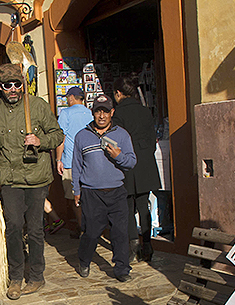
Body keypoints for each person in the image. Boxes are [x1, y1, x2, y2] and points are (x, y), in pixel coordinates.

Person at [0, 63, 64, 300]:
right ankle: (16, 277)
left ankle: (37, 276)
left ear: (23, 84)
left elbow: (57, 134)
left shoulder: (37, 106)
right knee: (15, 227)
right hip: (9, 178)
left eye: (17, 84)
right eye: (8, 85)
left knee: (36, 228)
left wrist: (41, 141)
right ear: (0, 85)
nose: (13, 89)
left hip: (37, 178)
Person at [72, 94, 137, 282]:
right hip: (92, 193)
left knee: (120, 232)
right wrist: (77, 190)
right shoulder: (82, 136)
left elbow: (131, 161)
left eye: (106, 112)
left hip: (116, 191)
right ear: (93, 113)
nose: (102, 116)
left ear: (112, 113)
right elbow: (77, 166)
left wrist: (118, 156)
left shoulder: (121, 134)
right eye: (98, 111)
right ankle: (84, 260)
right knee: (92, 232)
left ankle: (122, 269)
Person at [113, 74, 163, 263]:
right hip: (146, 163)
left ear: (118, 94)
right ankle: (148, 245)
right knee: (144, 206)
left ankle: (133, 245)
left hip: (128, 164)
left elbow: (117, 141)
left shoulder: (119, 114)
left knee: (128, 207)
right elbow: (152, 140)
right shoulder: (145, 111)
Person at [56, 86, 92, 237]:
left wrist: (58, 159)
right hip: (88, 161)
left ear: (71, 98)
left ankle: (82, 227)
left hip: (70, 161)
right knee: (88, 196)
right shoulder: (90, 113)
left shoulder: (66, 113)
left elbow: (60, 138)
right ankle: (90, 227)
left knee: (74, 197)